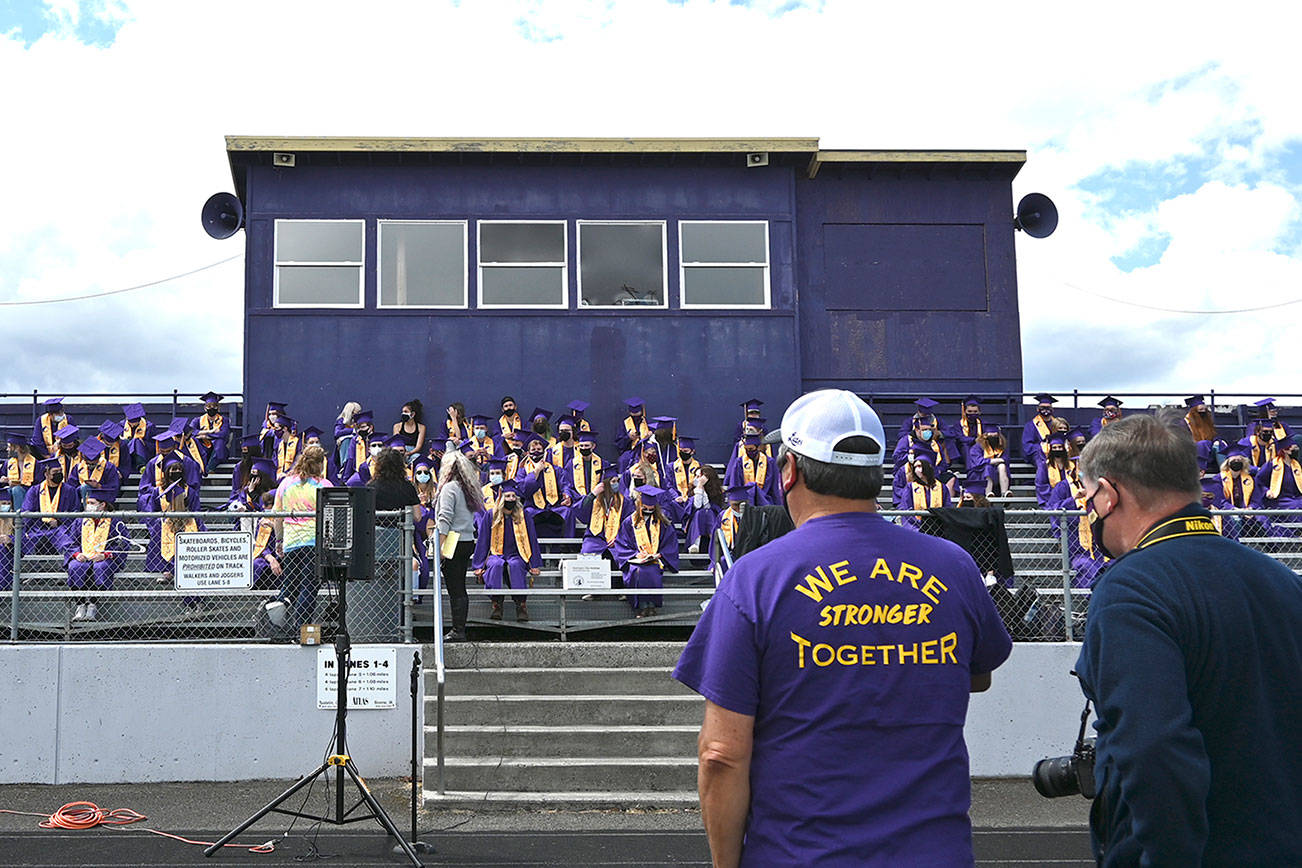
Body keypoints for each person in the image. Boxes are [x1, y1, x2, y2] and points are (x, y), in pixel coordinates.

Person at [674, 389, 1012, 866]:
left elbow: (721, 754)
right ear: (875, 475)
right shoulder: (953, 565)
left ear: (789, 470)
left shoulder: (755, 579)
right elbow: (978, 676)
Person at [1074, 412, 1302, 864]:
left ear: (1110, 492)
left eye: (1090, 496)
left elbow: (1153, 750)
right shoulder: (1282, 579)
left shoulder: (1129, 589)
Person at [271, 444, 333, 639]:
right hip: (313, 543)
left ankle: (278, 625)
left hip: (291, 542)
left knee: (290, 586)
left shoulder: (286, 484)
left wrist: (279, 540)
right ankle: (301, 627)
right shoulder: (324, 485)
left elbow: (277, 516)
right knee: (309, 585)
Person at [471, 479, 540, 622]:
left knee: (515, 565)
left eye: (513, 496)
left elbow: (532, 539)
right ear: (501, 498)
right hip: (496, 553)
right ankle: (497, 604)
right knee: (495, 565)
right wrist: (478, 565)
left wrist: (534, 564)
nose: (511, 499)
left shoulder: (524, 515)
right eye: (507, 496)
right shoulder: (491, 515)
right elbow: (483, 540)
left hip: (517, 554)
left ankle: (521, 605)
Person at [435, 450, 484, 642]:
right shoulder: (467, 488)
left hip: (453, 538)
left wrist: (441, 548)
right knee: (459, 586)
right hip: (466, 539)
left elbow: (444, 518)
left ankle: (458, 630)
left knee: (455, 588)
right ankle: (459, 628)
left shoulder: (450, 488)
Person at [64, 487, 130, 622]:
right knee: (75, 567)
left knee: (100, 567)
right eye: (88, 502)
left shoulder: (115, 521)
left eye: (92, 503)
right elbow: (70, 541)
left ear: (102, 505)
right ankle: (80, 605)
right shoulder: (80, 520)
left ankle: (93, 604)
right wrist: (77, 554)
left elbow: (122, 543)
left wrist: (106, 555)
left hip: (104, 558)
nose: (88, 506)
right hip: (83, 556)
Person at [612, 484, 678, 618]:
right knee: (638, 571)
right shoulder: (629, 522)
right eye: (645, 507)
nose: (648, 509)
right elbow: (621, 543)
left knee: (651, 570)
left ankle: (652, 606)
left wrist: (660, 554)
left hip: (655, 559)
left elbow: (670, 543)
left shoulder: (662, 522)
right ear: (639, 504)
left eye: (651, 508)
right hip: (636, 560)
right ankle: (642, 607)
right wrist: (636, 554)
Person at [143, 455, 204, 598]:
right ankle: (167, 570)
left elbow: (196, 509)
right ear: (166, 471)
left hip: (186, 523)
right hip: (165, 524)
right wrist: (161, 520)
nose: (175, 471)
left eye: (178, 469)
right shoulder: (157, 491)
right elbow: (151, 511)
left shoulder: (189, 490)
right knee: (160, 528)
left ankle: (179, 570)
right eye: (172, 469)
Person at [516, 432, 574, 538]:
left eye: (539, 450)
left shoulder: (555, 470)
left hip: (554, 507)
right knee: (526, 514)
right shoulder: (522, 471)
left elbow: (565, 484)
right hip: (533, 508)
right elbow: (524, 491)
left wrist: (567, 495)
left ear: (544, 452)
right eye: (533, 450)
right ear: (528, 453)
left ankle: (567, 546)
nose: (536, 452)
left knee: (567, 512)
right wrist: (536, 472)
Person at [22, 458, 80, 556]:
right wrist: (27, 530)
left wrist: (59, 521)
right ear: (46, 474)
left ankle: (64, 565)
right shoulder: (35, 490)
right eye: (55, 472)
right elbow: (27, 511)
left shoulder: (69, 490)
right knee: (26, 541)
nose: (59, 474)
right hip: (38, 527)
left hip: (60, 527)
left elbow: (75, 511)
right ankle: (30, 566)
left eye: (60, 471)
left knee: (66, 542)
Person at [724, 432, 780, 505]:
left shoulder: (770, 463)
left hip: (766, 501)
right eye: (746, 449)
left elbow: (774, 488)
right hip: (745, 501)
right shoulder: (739, 463)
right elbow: (735, 484)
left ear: (758, 448)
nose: (748, 452)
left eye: (751, 449)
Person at [682, 463, 724, 554]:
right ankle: (695, 543)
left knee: (708, 512)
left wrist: (702, 489)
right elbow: (697, 505)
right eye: (696, 476)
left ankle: (714, 541)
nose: (698, 479)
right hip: (694, 521)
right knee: (699, 513)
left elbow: (708, 506)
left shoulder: (716, 493)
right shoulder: (692, 491)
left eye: (701, 477)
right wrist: (699, 487)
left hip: (710, 518)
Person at [71, 437, 122, 504]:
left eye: (93, 463)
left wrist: (99, 486)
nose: (90, 465)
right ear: (84, 459)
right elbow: (71, 487)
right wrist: (83, 488)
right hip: (81, 499)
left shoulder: (109, 468)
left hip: (101, 500)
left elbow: (114, 487)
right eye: (88, 463)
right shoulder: (78, 468)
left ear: (98, 458)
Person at [966, 424, 1010, 497]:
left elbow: (1005, 460)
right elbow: (978, 462)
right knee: (988, 468)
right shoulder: (977, 447)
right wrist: (994, 461)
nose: (993, 437)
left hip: (997, 472)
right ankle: (988, 493)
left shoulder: (1001, 446)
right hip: (979, 472)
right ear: (985, 435)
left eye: (995, 435)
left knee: (1002, 466)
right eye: (991, 435)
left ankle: (1004, 492)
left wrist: (997, 461)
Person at [191, 392, 231, 467]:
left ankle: (209, 468)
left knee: (220, 441)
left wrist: (205, 436)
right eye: (209, 406)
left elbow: (223, 434)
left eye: (214, 406)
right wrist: (210, 431)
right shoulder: (197, 420)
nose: (212, 408)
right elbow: (191, 431)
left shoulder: (224, 420)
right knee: (194, 440)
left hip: (218, 450)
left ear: (218, 407)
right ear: (205, 408)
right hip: (203, 448)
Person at [565, 431, 603, 499]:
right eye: (581, 446)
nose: (583, 448)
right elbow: (568, 485)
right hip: (577, 501)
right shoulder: (571, 464)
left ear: (593, 446)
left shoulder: (602, 464)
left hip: (597, 500)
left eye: (586, 445)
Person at [4, 432, 38, 509]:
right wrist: (3, 480)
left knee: (17, 490)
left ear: (17, 448)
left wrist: (21, 484)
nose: (7, 449)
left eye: (9, 447)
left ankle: (20, 519)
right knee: (7, 491)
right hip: (11, 491)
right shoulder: (8, 463)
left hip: (29, 493)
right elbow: (2, 478)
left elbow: (38, 483)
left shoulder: (35, 463)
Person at [1022, 393, 1057, 466]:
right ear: (1037, 409)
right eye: (1042, 407)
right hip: (1039, 453)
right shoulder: (1031, 425)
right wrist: (1043, 447)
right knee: (1042, 463)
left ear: (1052, 409)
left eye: (1048, 407)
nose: (1045, 410)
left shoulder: (1057, 424)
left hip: (1056, 453)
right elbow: (1027, 445)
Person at [120, 402, 155, 472]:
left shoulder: (149, 427)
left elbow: (154, 446)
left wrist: (144, 443)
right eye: (130, 422)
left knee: (137, 441)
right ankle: (141, 466)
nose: (132, 424)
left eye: (134, 422)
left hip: (143, 452)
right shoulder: (121, 425)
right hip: (126, 453)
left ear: (139, 419)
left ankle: (142, 466)